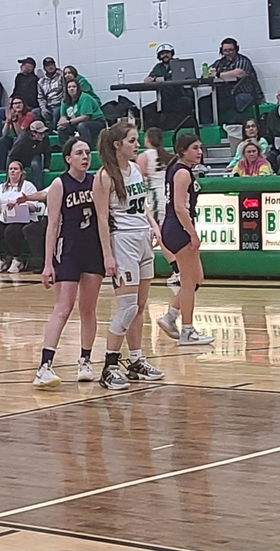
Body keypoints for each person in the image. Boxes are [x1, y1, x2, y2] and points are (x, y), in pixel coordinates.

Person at [92, 122, 166, 390]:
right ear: (117, 145)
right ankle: (109, 367)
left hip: (142, 238)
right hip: (122, 241)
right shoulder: (104, 176)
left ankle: (136, 361)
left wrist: (153, 225)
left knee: (140, 306)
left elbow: (142, 205)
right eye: (132, 141)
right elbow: (102, 219)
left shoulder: (135, 169)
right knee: (127, 308)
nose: (137, 145)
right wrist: (107, 255)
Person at [32, 137, 104, 387]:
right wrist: (47, 263)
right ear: (68, 158)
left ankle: (85, 360)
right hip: (69, 249)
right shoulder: (59, 184)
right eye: (79, 153)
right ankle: (44, 365)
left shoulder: (96, 182)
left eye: (87, 152)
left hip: (93, 248)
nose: (85, 157)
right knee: (64, 307)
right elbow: (52, 225)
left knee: (88, 308)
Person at [155, 133, 214, 346]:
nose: (199, 152)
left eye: (200, 148)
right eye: (195, 148)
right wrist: (193, 234)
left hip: (175, 228)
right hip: (179, 229)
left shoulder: (178, 169)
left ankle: (170, 316)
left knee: (197, 278)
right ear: (182, 150)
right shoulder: (182, 172)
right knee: (188, 282)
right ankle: (187, 331)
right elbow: (180, 207)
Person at [0, 161, 42, 273]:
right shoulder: (2, 187)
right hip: (5, 219)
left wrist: (20, 203)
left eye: (15, 169)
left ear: (21, 172)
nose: (12, 171)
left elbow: (34, 206)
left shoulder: (28, 186)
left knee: (10, 231)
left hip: (22, 220)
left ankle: (17, 260)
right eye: (10, 169)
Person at [136, 127, 179, 286]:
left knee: (160, 238)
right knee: (167, 236)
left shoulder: (144, 156)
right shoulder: (169, 155)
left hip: (155, 198)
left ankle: (178, 270)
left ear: (147, 139)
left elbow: (138, 181)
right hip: (169, 196)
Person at [208, 38, 264, 124]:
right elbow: (208, 72)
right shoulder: (219, 63)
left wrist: (218, 74)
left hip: (244, 95)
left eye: (230, 50)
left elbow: (239, 73)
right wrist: (209, 72)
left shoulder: (242, 60)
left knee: (239, 100)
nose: (228, 53)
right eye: (225, 50)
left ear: (236, 50)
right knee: (204, 102)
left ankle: (232, 127)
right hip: (224, 97)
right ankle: (211, 127)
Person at [143, 43, 194, 131]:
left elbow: (180, 76)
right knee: (147, 110)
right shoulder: (158, 67)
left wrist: (163, 78)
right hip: (166, 100)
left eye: (167, 53)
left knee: (183, 104)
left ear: (171, 53)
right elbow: (149, 79)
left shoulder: (178, 63)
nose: (165, 55)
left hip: (181, 97)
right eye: (162, 53)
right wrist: (151, 79)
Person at [0, 58, 39, 137]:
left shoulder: (35, 80)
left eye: (23, 65)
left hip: (27, 106)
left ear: (31, 67)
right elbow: (15, 91)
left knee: (35, 112)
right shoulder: (19, 77)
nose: (21, 66)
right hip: (15, 105)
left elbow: (31, 98)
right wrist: (11, 100)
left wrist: (19, 104)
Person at [57, 78, 105, 149]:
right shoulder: (65, 100)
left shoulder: (85, 98)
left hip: (95, 121)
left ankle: (87, 148)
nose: (71, 89)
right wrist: (62, 122)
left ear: (78, 88)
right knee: (62, 129)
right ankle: (66, 149)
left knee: (82, 126)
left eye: (74, 87)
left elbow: (85, 117)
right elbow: (63, 115)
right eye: (69, 87)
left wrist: (69, 122)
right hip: (75, 122)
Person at [0, 96, 35, 174]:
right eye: (15, 103)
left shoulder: (29, 115)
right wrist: (8, 120)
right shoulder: (13, 115)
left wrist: (14, 120)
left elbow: (21, 134)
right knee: (3, 140)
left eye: (19, 103)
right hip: (16, 140)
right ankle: (1, 168)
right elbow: (4, 133)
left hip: (27, 141)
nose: (18, 105)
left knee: (18, 140)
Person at [8, 120, 52, 190]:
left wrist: (46, 166)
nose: (43, 135)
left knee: (35, 164)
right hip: (21, 158)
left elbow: (47, 152)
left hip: (35, 156)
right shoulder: (22, 140)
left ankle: (38, 189)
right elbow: (12, 155)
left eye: (43, 133)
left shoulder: (45, 138)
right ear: (33, 133)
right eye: (40, 133)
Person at [35, 57, 63, 129]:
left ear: (55, 65)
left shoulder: (61, 77)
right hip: (48, 106)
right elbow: (41, 97)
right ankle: (41, 130)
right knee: (35, 112)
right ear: (44, 68)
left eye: (52, 64)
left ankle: (55, 130)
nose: (50, 67)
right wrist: (43, 108)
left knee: (57, 112)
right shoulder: (41, 82)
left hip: (60, 105)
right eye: (47, 65)